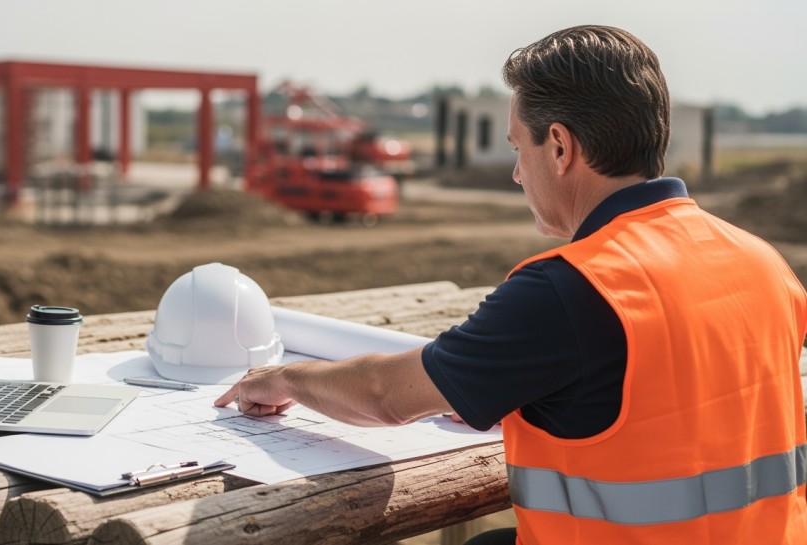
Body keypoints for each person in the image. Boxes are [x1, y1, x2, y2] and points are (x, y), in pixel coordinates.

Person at [214, 24, 807, 545]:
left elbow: (382, 395)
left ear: (560, 146)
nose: (519, 173)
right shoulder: (763, 263)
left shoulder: (571, 288)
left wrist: (287, 378)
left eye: (519, 148)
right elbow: (681, 398)